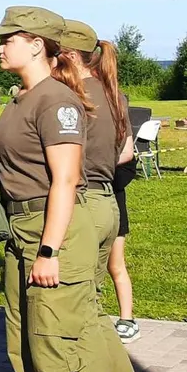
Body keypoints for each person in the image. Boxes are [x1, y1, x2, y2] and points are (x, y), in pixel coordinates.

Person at [0, 7, 152, 372]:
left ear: (38, 44)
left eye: (9, 39)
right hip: (19, 227)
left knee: (58, 351)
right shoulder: (23, 98)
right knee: (24, 349)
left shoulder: (57, 100)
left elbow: (67, 179)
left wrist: (48, 249)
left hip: (53, 230)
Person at [59, 21, 141, 352]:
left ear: (67, 55)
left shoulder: (70, 95)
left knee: (77, 303)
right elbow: (126, 152)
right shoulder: (114, 94)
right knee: (94, 287)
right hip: (108, 196)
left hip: (81, 199)